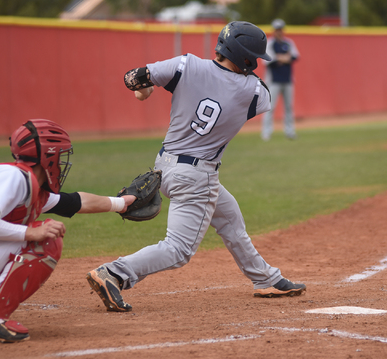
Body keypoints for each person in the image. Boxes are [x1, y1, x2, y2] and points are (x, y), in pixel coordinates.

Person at [86, 21, 306, 313]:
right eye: (253, 58)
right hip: (196, 176)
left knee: (229, 217)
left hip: (165, 167)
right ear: (245, 58)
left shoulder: (184, 65)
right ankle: (114, 272)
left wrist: (144, 87)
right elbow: (241, 86)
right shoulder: (255, 91)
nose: (255, 64)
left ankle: (265, 278)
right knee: (178, 250)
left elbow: (132, 78)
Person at [0, 119, 136, 343]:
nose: (61, 164)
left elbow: (75, 202)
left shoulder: (29, 185)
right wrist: (30, 234)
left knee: (36, 233)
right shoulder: (12, 176)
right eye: (59, 156)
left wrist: (121, 203)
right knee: (46, 238)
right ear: (47, 156)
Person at [261, 18, 300, 141]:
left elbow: (295, 56)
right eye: (277, 29)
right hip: (273, 80)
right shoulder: (270, 43)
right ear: (274, 30)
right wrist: (283, 58)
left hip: (287, 80)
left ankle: (290, 131)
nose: (279, 32)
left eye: (281, 29)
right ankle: (266, 132)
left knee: (289, 107)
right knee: (270, 107)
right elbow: (268, 60)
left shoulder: (288, 42)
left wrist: (280, 58)